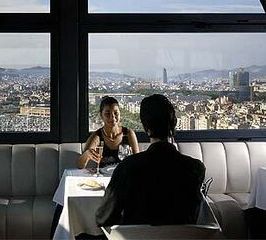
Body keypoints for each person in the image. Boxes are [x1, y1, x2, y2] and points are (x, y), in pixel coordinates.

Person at [96, 94, 206, 227]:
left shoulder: (128, 167)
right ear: (174, 124)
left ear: (145, 127)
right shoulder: (196, 168)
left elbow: (103, 218)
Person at [77, 96, 139, 169]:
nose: (112, 117)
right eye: (107, 114)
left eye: (116, 113)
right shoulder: (97, 136)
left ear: (120, 113)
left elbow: (137, 161)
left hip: (124, 177)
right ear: (101, 116)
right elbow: (80, 165)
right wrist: (87, 154)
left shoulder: (128, 133)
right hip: (104, 178)